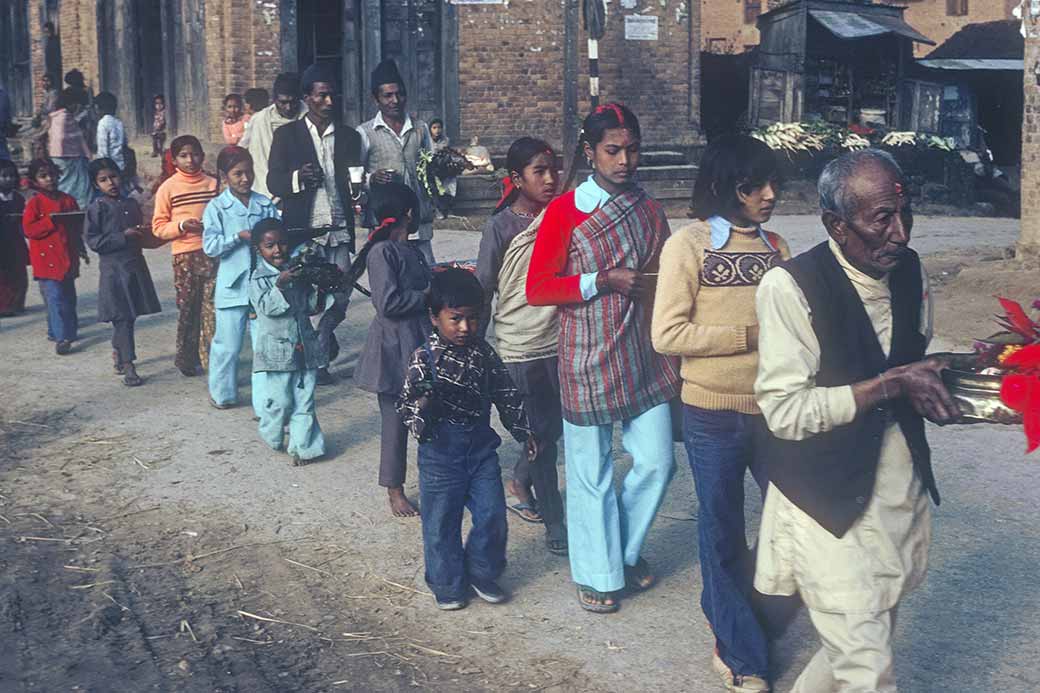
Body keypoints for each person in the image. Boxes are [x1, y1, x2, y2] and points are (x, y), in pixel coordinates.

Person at [753, 149, 959, 692]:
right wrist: (891, 384)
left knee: (861, 647)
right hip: (823, 505)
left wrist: (968, 388)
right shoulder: (789, 287)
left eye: (904, 213)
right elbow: (785, 411)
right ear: (836, 227)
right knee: (867, 671)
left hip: (895, 490)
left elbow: (914, 356)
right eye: (881, 221)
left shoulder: (909, 270)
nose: (900, 234)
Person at [526, 103, 680, 613]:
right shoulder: (567, 210)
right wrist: (603, 280)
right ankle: (598, 573)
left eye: (632, 150)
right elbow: (539, 288)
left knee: (659, 461)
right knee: (590, 470)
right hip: (587, 354)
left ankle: (623, 551)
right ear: (590, 153)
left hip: (643, 351)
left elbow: (668, 277)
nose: (625, 160)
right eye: (613, 150)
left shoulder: (650, 209)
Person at [651, 134, 790, 693]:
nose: (769, 194)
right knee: (722, 531)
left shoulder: (777, 248)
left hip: (775, 412)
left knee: (793, 527)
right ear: (726, 187)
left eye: (772, 183)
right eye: (754, 185)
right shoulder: (688, 245)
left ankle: (738, 618)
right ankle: (741, 653)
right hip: (709, 413)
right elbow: (667, 333)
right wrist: (746, 336)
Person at [397, 267, 538, 610]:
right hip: (439, 456)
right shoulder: (423, 360)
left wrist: (523, 432)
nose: (465, 328)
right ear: (434, 317)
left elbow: (506, 393)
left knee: (492, 514)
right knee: (440, 523)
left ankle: (482, 571)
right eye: (455, 318)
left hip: (480, 452)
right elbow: (405, 408)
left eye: (472, 319)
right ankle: (447, 583)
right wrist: (424, 406)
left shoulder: (483, 354)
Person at [476, 137, 567, 555]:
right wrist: (473, 350)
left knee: (557, 429)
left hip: (560, 340)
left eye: (553, 170)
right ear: (516, 180)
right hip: (519, 346)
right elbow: (484, 288)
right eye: (539, 172)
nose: (550, 180)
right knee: (540, 438)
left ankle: (520, 479)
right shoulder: (500, 227)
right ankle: (556, 524)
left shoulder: (562, 217)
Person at [267, 64, 363, 385]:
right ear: (307, 98)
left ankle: (323, 336)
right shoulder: (286, 136)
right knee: (306, 297)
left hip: (337, 230)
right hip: (303, 232)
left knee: (341, 295)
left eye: (332, 94)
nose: (329, 101)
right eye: (321, 95)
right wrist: (298, 178)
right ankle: (315, 355)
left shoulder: (349, 136)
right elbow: (273, 181)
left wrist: (360, 187)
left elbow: (355, 176)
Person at [354, 181, 432, 518]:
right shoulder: (381, 253)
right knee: (395, 422)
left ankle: (433, 476)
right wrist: (427, 296)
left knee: (431, 410)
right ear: (409, 214)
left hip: (419, 342)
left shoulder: (410, 250)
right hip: (392, 349)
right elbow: (387, 303)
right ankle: (394, 489)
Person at [203, 146, 279, 410]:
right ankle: (222, 394)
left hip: (263, 286)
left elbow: (278, 238)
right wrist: (237, 237)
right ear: (224, 176)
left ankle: (265, 403)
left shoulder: (264, 204)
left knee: (263, 345)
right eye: (238, 174)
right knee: (228, 344)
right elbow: (210, 246)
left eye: (249, 172)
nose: (245, 179)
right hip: (232, 286)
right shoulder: (217, 208)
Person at [249, 217, 327, 465]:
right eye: (269, 246)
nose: (277, 250)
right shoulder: (258, 279)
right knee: (281, 401)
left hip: (305, 344)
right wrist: (279, 286)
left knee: (305, 399)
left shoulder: (297, 271)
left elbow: (312, 307)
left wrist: (319, 287)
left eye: (282, 244)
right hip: (277, 351)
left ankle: (304, 447)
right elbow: (265, 308)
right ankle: (271, 432)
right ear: (258, 249)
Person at [84, 158, 161, 386]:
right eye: (103, 180)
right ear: (96, 184)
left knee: (130, 316)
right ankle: (129, 365)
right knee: (122, 318)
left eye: (114, 176)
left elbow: (143, 233)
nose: (111, 183)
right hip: (113, 271)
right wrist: (122, 236)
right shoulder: (96, 208)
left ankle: (119, 350)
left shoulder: (131, 204)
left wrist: (146, 233)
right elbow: (94, 241)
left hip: (134, 266)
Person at [151, 135, 220, 376]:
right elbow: (158, 227)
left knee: (212, 306)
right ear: (174, 159)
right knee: (189, 307)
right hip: (185, 256)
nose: (190, 160)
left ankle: (211, 357)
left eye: (195, 154)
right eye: (183, 156)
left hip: (213, 251)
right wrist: (181, 226)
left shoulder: (213, 184)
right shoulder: (168, 188)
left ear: (202, 155)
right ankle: (186, 357)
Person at [358, 59, 436, 265]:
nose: (395, 100)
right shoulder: (366, 132)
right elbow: (355, 175)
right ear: (376, 99)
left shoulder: (420, 129)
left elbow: (431, 167)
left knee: (426, 269)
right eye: (387, 95)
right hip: (385, 220)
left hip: (417, 214)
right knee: (390, 272)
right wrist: (371, 179)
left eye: (399, 94)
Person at [22, 158, 83, 354]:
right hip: (45, 260)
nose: (50, 179)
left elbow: (76, 227)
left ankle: (68, 331)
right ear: (34, 180)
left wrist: (81, 248)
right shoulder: (35, 204)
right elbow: (28, 230)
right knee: (54, 298)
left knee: (69, 297)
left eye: (53, 175)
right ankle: (61, 337)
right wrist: (50, 221)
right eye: (43, 176)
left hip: (67, 257)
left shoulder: (68, 200)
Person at [241, 73, 305, 199]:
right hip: (264, 192)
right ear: (274, 99)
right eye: (283, 102)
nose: (288, 108)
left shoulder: (310, 118)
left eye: (293, 102)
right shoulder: (259, 120)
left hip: (302, 192)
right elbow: (241, 150)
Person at [47, 89, 93, 209]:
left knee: (63, 182)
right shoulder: (65, 116)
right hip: (70, 156)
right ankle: (78, 206)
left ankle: (64, 206)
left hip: (57, 155)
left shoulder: (55, 116)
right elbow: (70, 137)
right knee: (77, 185)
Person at [0, 159, 29, 316]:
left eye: (11, 176)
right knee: (2, 276)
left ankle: (17, 304)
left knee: (19, 273)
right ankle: (4, 306)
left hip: (16, 241)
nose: (8, 179)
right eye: (4, 176)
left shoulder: (18, 198)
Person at [94, 91, 127, 173]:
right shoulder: (119, 123)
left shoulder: (102, 123)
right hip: (121, 165)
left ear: (98, 108)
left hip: (109, 166)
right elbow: (124, 144)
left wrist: (101, 167)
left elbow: (103, 150)